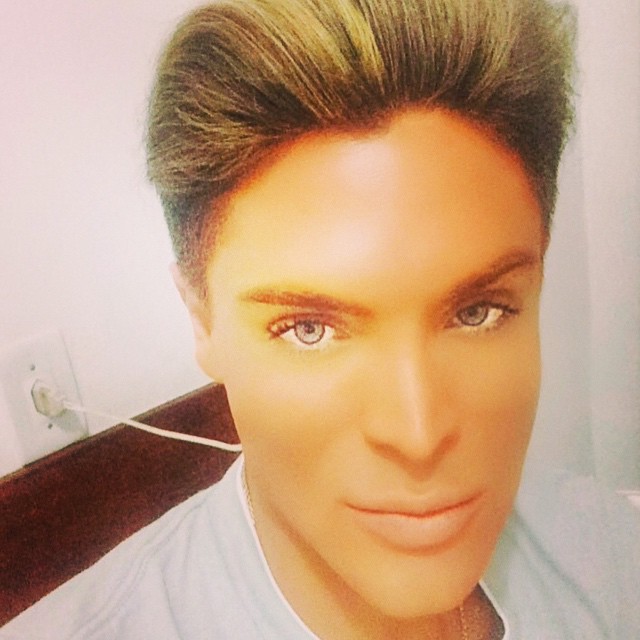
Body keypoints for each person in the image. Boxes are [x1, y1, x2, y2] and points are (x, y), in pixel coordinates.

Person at [2, 0, 639, 638]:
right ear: (202, 320)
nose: (418, 436)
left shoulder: (611, 551)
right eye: (309, 329)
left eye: (478, 312)